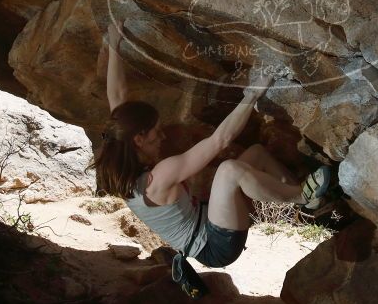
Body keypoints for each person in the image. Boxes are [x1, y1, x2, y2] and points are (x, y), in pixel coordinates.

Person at [87, 19, 335, 268]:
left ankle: (309, 202)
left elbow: (117, 97)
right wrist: (252, 95)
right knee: (229, 170)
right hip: (215, 246)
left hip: (211, 217)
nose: (162, 137)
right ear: (139, 139)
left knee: (256, 154)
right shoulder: (158, 178)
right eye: (156, 132)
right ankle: (301, 195)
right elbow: (220, 140)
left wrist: (115, 42)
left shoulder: (122, 145)